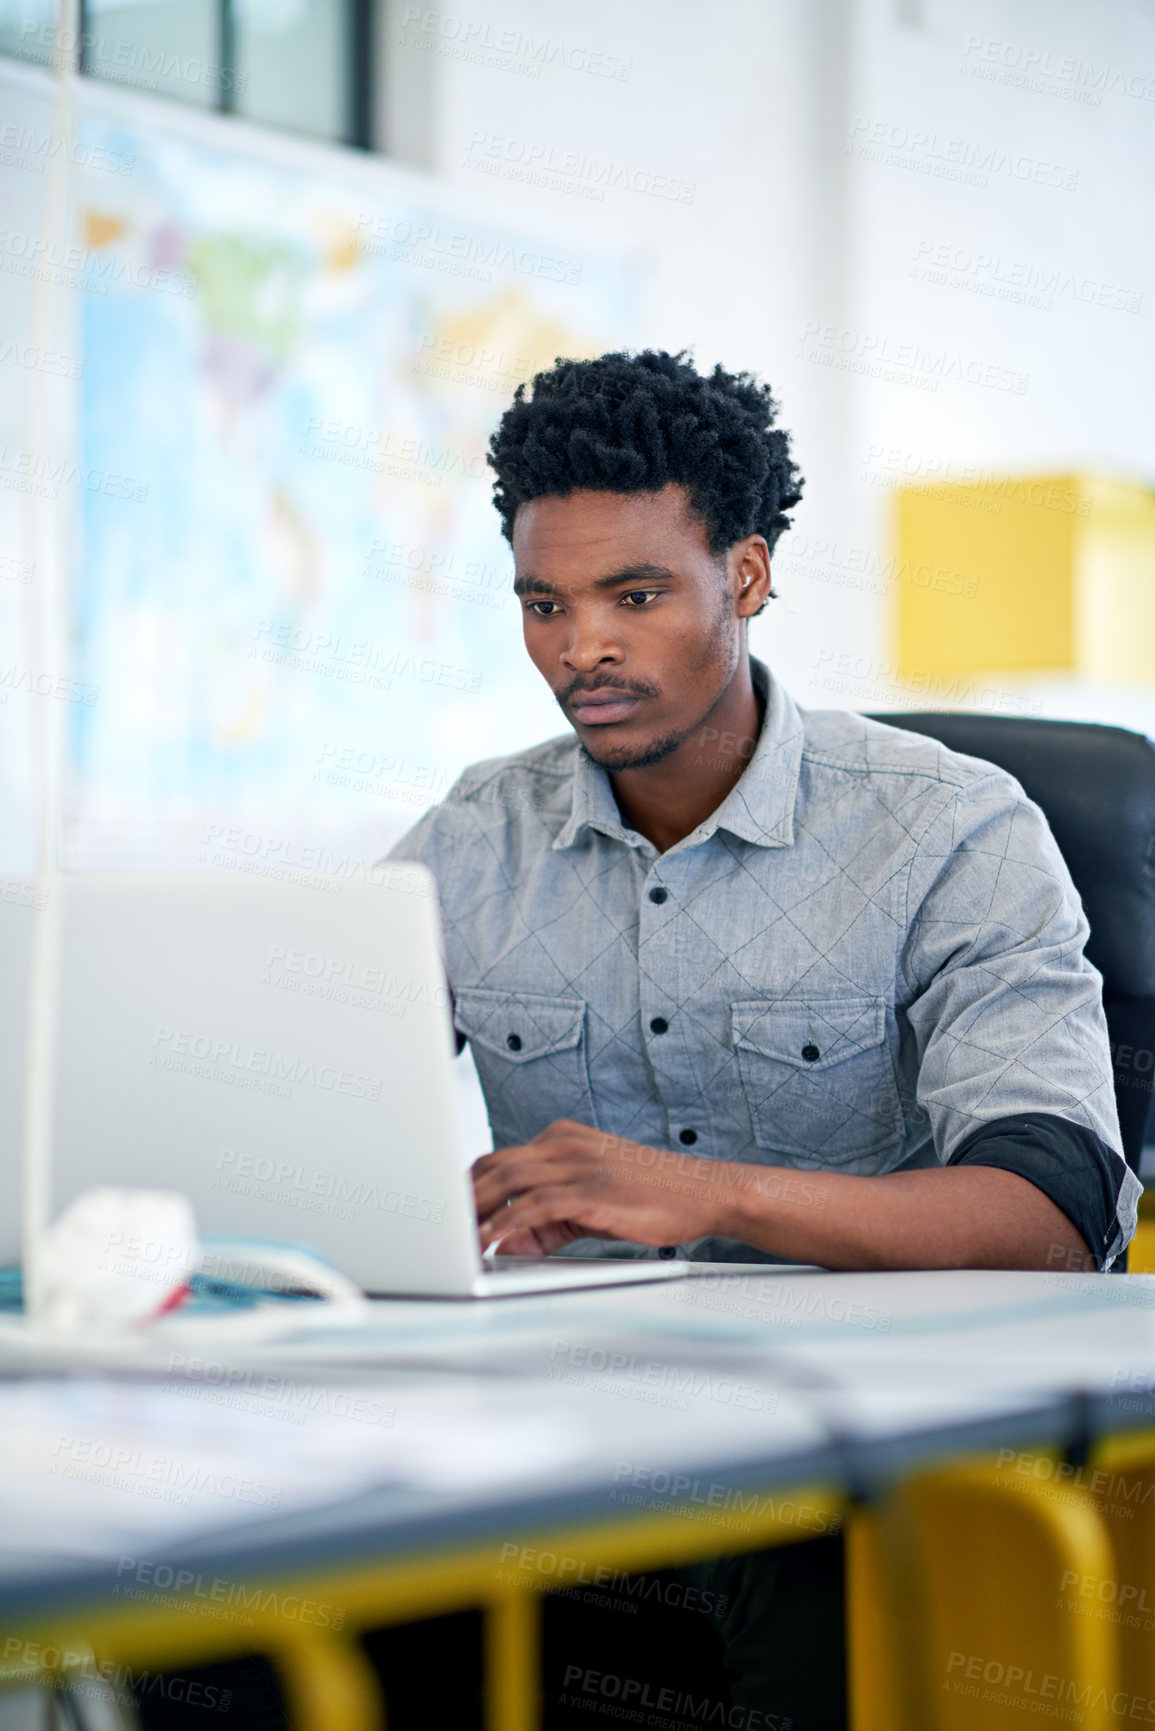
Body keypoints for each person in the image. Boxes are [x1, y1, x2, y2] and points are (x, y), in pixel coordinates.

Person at [388, 348, 1138, 1724]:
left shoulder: (951, 827)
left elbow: (1054, 1208)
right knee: (256, 1609)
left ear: (745, 576)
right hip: (566, 1423)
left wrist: (710, 1197)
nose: (580, 648)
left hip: (864, 1444)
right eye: (543, 604)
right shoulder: (471, 838)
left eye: (634, 596)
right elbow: (324, 1109)